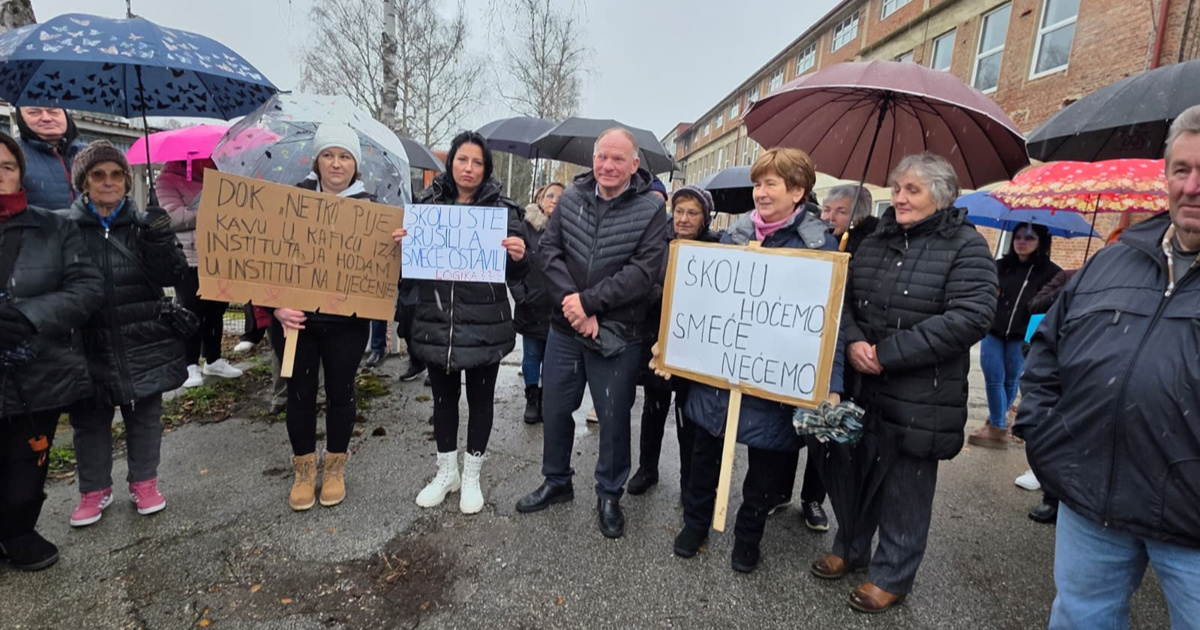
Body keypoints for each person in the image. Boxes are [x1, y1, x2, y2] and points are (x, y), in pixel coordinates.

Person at [1014, 106, 1200, 629]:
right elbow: (1048, 348)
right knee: (1079, 619)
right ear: (1165, 176)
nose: (1192, 186)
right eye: (1181, 169)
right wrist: (1045, 435)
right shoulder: (1114, 259)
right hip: (1091, 499)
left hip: (1192, 518)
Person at [810, 152, 997, 613]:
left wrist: (888, 354)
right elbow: (844, 296)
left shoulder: (966, 246)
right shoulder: (874, 240)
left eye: (913, 189)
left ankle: (892, 574)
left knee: (904, 487)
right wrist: (853, 341)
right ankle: (851, 547)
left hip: (921, 392)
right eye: (897, 189)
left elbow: (971, 316)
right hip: (863, 383)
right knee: (855, 472)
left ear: (942, 194)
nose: (901, 198)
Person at [668, 150, 842, 573]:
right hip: (722, 371)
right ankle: (695, 524)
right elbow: (705, 303)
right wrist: (673, 346)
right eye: (758, 184)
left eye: (771, 185)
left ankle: (748, 537)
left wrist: (829, 383)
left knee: (766, 465)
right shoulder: (734, 236)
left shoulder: (820, 247)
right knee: (705, 452)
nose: (760, 193)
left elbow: (834, 323)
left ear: (798, 191)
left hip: (775, 378)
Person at [515, 127, 668, 539]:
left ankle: (609, 494)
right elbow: (549, 252)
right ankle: (557, 480)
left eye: (618, 159)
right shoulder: (570, 200)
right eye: (602, 156)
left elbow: (643, 272)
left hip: (619, 334)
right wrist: (573, 303)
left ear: (635, 165)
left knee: (614, 419)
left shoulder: (652, 211)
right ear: (593, 160)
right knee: (556, 407)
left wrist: (591, 304)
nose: (608, 165)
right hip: (565, 329)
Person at [59, 141, 189, 528]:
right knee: (91, 418)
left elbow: (172, 275)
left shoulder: (143, 224)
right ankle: (94, 489)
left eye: (116, 174)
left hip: (142, 336)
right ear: (83, 182)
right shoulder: (65, 230)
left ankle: (144, 482)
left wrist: (161, 237)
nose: (109, 182)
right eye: (98, 175)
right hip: (89, 341)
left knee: (145, 414)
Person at [396, 131, 527, 515]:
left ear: (486, 168)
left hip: (484, 325)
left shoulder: (504, 211)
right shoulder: (425, 204)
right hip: (436, 322)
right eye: (462, 160)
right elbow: (407, 272)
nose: (469, 169)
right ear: (450, 163)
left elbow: (521, 276)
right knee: (443, 401)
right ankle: (446, 471)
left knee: (481, 401)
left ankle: (472, 474)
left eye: (477, 162)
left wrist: (519, 255)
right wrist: (402, 246)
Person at [0, 133, 103, 570]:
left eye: (5, 166)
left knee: (27, 461)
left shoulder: (54, 227)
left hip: (37, 371)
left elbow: (86, 288)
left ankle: (19, 529)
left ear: (21, 172)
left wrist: (30, 317)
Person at [268, 123, 373, 512]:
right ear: (316, 159)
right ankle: (303, 469)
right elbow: (264, 261)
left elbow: (385, 274)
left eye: (345, 156)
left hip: (347, 323)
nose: (336, 163)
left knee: (341, 392)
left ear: (355, 164)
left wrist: (396, 247)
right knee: (299, 394)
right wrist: (274, 306)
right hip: (296, 323)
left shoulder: (373, 209)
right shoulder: (289, 201)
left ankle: (334, 467)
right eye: (328, 154)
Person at [627, 184, 717, 497]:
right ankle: (647, 468)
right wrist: (666, 295)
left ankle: (688, 478)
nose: (684, 218)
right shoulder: (657, 242)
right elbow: (642, 279)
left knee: (689, 418)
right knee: (653, 410)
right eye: (679, 211)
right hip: (657, 340)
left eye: (692, 213)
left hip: (696, 347)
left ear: (704, 217)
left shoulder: (717, 248)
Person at [970, 223, 1060, 449]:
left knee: (1011, 380)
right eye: (1018, 237)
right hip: (993, 330)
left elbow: (1048, 303)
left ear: (1041, 242)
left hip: (1022, 335)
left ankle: (994, 423)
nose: (1021, 242)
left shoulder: (1051, 272)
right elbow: (984, 291)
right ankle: (998, 426)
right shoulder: (1000, 265)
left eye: (1029, 238)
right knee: (993, 376)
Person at [158, 158, 243, 388]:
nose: (211, 160)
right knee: (190, 311)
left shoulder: (219, 177)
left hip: (218, 254)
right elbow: (171, 217)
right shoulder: (167, 180)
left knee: (216, 309)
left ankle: (213, 359)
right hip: (189, 258)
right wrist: (208, 208)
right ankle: (190, 364)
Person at [510, 181, 564, 425]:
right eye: (550, 195)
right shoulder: (525, 227)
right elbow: (510, 264)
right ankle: (532, 398)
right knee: (532, 355)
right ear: (540, 199)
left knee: (553, 359)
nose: (554, 200)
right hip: (530, 304)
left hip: (559, 308)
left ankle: (548, 400)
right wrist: (520, 294)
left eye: (560, 197)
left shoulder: (571, 230)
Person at [15, 106, 87, 210]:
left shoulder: (92, 154)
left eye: (53, 112)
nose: (46, 118)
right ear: (21, 117)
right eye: (34, 112)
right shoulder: (13, 155)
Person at [820, 184, 878, 255]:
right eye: (826, 210)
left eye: (841, 212)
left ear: (859, 217)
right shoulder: (810, 240)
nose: (831, 218)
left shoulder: (869, 249)